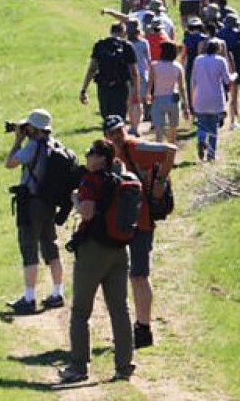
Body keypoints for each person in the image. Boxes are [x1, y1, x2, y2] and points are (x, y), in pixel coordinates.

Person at [59, 139, 137, 383]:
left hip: (94, 251)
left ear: (101, 158)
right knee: (120, 310)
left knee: (80, 312)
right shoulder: (118, 180)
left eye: (90, 153)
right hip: (119, 251)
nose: (87, 157)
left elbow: (87, 212)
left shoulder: (90, 181)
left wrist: (75, 200)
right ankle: (124, 365)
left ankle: (78, 367)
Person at [103, 116, 176, 351]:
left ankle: (143, 329)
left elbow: (170, 150)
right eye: (111, 133)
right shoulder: (108, 155)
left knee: (139, 276)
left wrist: (160, 182)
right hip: (121, 223)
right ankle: (133, 327)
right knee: (127, 277)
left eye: (119, 131)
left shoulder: (136, 147)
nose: (116, 136)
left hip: (141, 222)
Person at [4, 108, 67, 313]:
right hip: (48, 202)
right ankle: (57, 293)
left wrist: (17, 140)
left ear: (34, 128)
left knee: (29, 248)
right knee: (51, 248)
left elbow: (9, 163)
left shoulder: (32, 146)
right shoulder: (54, 144)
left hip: (31, 203)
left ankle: (29, 297)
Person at [81, 23, 139, 125]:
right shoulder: (127, 46)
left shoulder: (100, 45)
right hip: (121, 86)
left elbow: (92, 69)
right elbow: (134, 72)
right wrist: (136, 92)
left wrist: (84, 90)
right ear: (123, 32)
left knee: (106, 116)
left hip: (103, 86)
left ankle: (108, 133)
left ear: (111, 32)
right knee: (119, 117)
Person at [189, 38, 234, 162]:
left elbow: (193, 80)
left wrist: (192, 98)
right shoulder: (220, 61)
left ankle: (201, 139)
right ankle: (211, 154)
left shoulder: (198, 60)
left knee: (201, 124)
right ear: (218, 49)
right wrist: (234, 76)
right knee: (213, 127)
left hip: (200, 97)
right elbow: (226, 80)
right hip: (215, 98)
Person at [217, 12, 240, 130]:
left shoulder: (219, 34)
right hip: (235, 67)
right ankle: (232, 121)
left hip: (219, 67)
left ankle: (219, 116)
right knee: (234, 96)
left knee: (220, 93)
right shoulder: (238, 34)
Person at [149, 42, 186, 144]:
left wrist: (148, 94)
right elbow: (182, 88)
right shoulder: (178, 67)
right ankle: (171, 148)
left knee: (159, 131)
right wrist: (185, 105)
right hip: (173, 99)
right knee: (173, 129)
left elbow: (150, 83)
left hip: (158, 98)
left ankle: (158, 150)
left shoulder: (154, 65)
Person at [125, 21, 150, 135]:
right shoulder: (144, 43)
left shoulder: (125, 44)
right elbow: (148, 59)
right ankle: (136, 126)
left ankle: (133, 125)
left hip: (129, 74)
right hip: (141, 73)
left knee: (131, 101)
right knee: (138, 101)